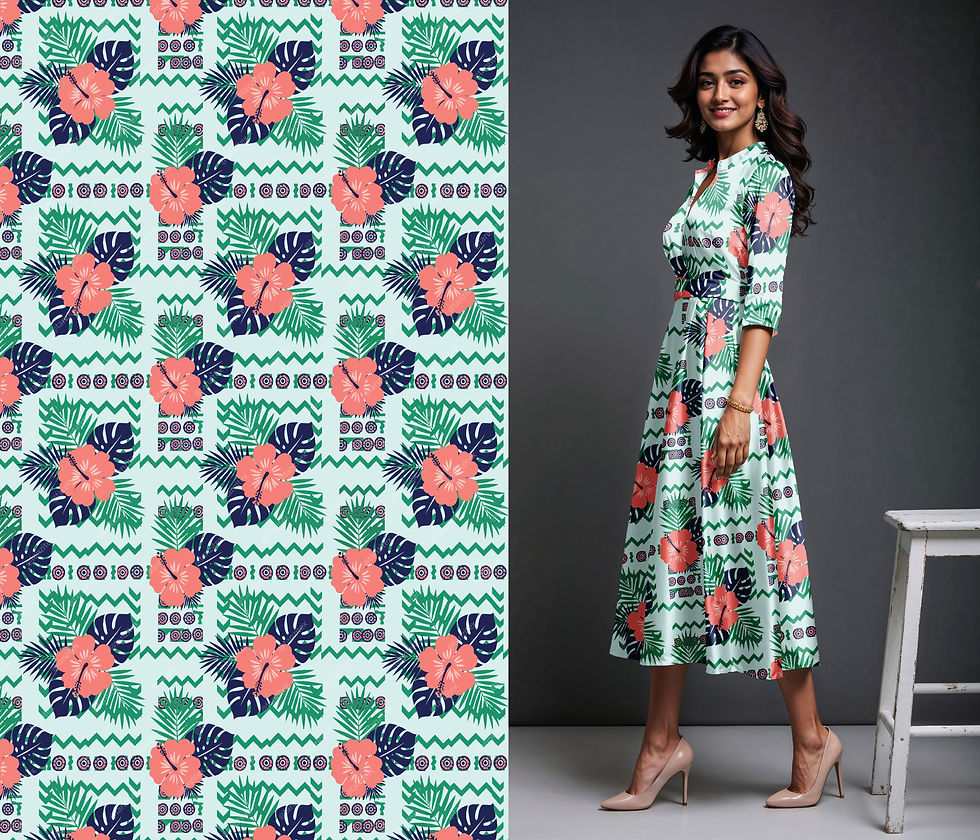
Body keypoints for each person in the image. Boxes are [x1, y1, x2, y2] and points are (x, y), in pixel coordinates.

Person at [602, 25, 843, 811]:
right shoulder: (708, 176)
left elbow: (762, 305)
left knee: (762, 562)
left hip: (728, 396)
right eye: (707, 81)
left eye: (736, 80)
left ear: (762, 94)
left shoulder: (763, 178)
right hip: (677, 391)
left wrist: (738, 407)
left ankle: (813, 743)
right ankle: (660, 746)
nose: (720, 94)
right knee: (670, 563)